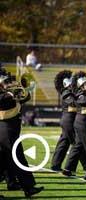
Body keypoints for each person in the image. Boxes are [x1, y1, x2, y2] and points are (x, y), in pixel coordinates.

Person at [0, 69, 43, 197]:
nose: (8, 83)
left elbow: (24, 98)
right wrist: (12, 93)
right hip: (6, 131)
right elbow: (6, 99)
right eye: (5, 82)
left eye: (8, 81)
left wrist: (26, 88)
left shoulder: (9, 93)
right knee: (19, 159)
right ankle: (29, 187)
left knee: (5, 162)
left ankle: (24, 186)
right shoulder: (3, 96)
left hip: (10, 131)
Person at [51, 70, 86, 172]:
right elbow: (73, 103)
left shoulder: (71, 92)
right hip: (68, 120)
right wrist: (82, 95)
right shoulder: (66, 93)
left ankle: (55, 165)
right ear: (67, 85)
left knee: (64, 143)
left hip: (69, 120)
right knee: (77, 143)